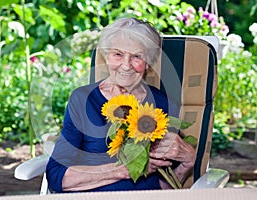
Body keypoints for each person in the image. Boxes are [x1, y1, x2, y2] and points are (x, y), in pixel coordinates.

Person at [46, 17, 196, 192]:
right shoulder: (83, 100)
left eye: (137, 57)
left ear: (147, 62)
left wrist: (188, 160)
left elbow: (163, 187)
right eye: (118, 54)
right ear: (107, 56)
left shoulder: (163, 104)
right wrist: (124, 170)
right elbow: (57, 176)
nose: (126, 66)